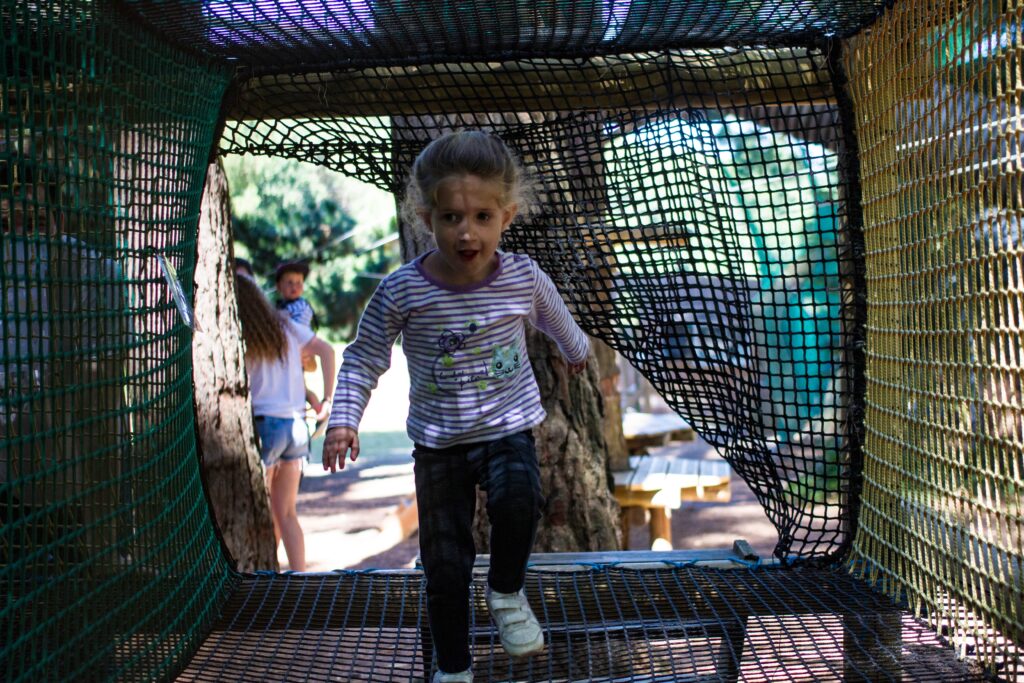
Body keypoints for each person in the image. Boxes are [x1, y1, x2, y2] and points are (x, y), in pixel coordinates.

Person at [321, 130, 590, 683]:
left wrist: (576, 350)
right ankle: (453, 668)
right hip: (439, 444)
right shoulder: (403, 290)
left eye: (482, 217)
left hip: (507, 428)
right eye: (451, 218)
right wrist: (344, 418)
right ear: (427, 218)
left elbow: (555, 317)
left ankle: (507, 592)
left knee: (519, 500)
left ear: (506, 217)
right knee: (445, 564)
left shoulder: (522, 276)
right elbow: (364, 355)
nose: (467, 232)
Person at [235, 272, 336, 572]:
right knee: (287, 514)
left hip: (266, 427)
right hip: (296, 429)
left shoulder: (239, 331)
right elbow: (327, 351)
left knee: (262, 513)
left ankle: (265, 581)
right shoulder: (285, 326)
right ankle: (298, 582)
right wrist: (327, 400)